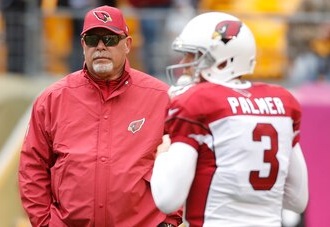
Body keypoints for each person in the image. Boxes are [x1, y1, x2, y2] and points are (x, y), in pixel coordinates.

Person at [18, 5, 182, 227]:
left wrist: (171, 220)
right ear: (83, 44)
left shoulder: (162, 97)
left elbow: (184, 159)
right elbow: (32, 167)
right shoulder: (52, 98)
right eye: (93, 39)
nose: (101, 46)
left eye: (110, 39)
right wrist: (45, 223)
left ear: (127, 44)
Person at [151, 12, 309, 226]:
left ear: (223, 63)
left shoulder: (198, 101)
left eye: (193, 56)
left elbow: (167, 199)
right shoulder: (281, 101)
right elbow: (298, 201)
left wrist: (163, 153)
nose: (184, 63)